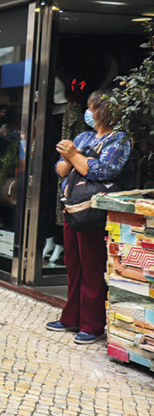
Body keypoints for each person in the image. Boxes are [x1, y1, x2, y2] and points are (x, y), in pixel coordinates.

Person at [47, 90, 131, 345]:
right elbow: (60, 170)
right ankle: (71, 316)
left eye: (90, 107)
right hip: (72, 208)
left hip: (95, 213)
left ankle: (92, 324)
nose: (87, 112)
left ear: (103, 110)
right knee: (73, 264)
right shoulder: (84, 136)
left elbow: (102, 171)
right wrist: (70, 157)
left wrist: (74, 156)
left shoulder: (119, 139)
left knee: (93, 267)